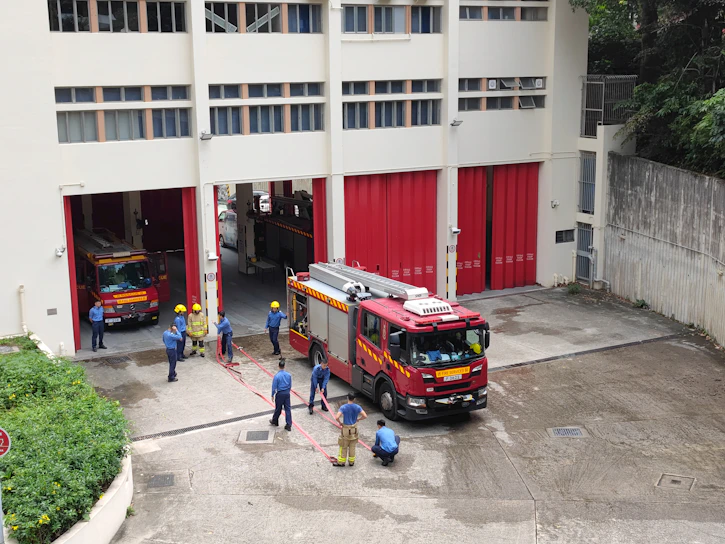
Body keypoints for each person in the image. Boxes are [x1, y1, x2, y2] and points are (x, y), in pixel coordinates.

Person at [332, 393, 367, 467]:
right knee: (352, 446)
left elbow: (337, 417)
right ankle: (351, 462)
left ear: (347, 398)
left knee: (343, 445)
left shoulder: (343, 407)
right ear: (354, 399)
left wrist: (340, 423)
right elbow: (365, 416)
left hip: (346, 429)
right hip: (354, 429)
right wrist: (358, 419)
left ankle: (341, 462)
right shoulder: (357, 407)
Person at [270, 360, 292, 431]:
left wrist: (272, 394)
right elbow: (290, 385)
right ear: (284, 366)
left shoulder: (276, 376)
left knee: (278, 408)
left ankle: (275, 420)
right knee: (288, 409)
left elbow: (274, 387)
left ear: (278, 366)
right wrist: (288, 391)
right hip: (287, 393)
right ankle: (288, 424)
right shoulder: (288, 375)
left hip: (280, 394)